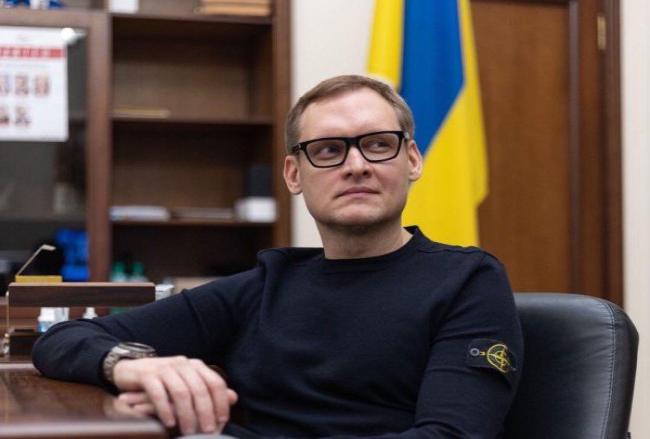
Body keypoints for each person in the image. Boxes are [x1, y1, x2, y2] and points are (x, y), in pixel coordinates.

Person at [33, 75, 523, 438]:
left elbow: (451, 436)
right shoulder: (269, 283)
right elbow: (62, 339)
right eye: (328, 150)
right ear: (293, 175)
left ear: (412, 160)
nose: (356, 165)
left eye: (378, 145)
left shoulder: (467, 280)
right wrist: (130, 365)